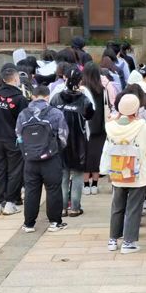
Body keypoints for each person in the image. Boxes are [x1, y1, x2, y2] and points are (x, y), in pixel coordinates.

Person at [102, 93, 146, 253]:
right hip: (137, 173)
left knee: (117, 205)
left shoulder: (111, 126)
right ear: (136, 109)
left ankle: (113, 239)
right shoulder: (141, 126)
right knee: (133, 207)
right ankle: (128, 242)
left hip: (117, 171)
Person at [16, 85, 69, 233]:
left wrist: (27, 151)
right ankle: (55, 222)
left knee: (31, 191)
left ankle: (29, 224)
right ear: (47, 97)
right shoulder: (56, 113)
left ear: (33, 97)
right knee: (53, 189)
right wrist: (56, 150)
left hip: (30, 160)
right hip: (51, 158)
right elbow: (63, 136)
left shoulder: (23, 114)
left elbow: (18, 136)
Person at [50, 68, 95, 218]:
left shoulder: (56, 98)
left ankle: (62, 208)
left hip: (60, 142)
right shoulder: (84, 100)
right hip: (79, 143)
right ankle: (75, 207)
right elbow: (90, 115)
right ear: (80, 81)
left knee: (63, 175)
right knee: (77, 175)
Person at [0, 65, 28, 216]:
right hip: (13, 139)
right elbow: (23, 120)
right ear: (15, 78)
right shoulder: (20, 98)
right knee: (14, 171)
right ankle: (10, 203)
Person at [82, 62, 109, 196]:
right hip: (100, 127)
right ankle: (95, 184)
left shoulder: (82, 90)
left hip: (86, 128)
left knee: (86, 157)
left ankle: (86, 185)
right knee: (97, 156)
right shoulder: (102, 89)